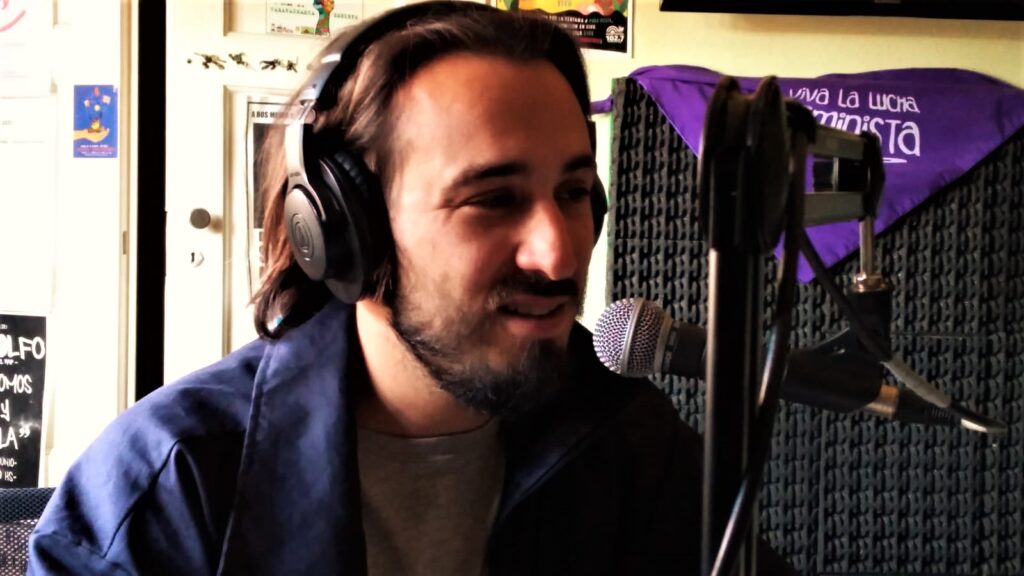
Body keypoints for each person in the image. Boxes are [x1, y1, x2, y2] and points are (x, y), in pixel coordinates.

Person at [29, 2, 793, 574]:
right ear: (344, 234)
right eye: (492, 199)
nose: (560, 252)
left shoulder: (629, 437)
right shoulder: (173, 482)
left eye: (572, 192)